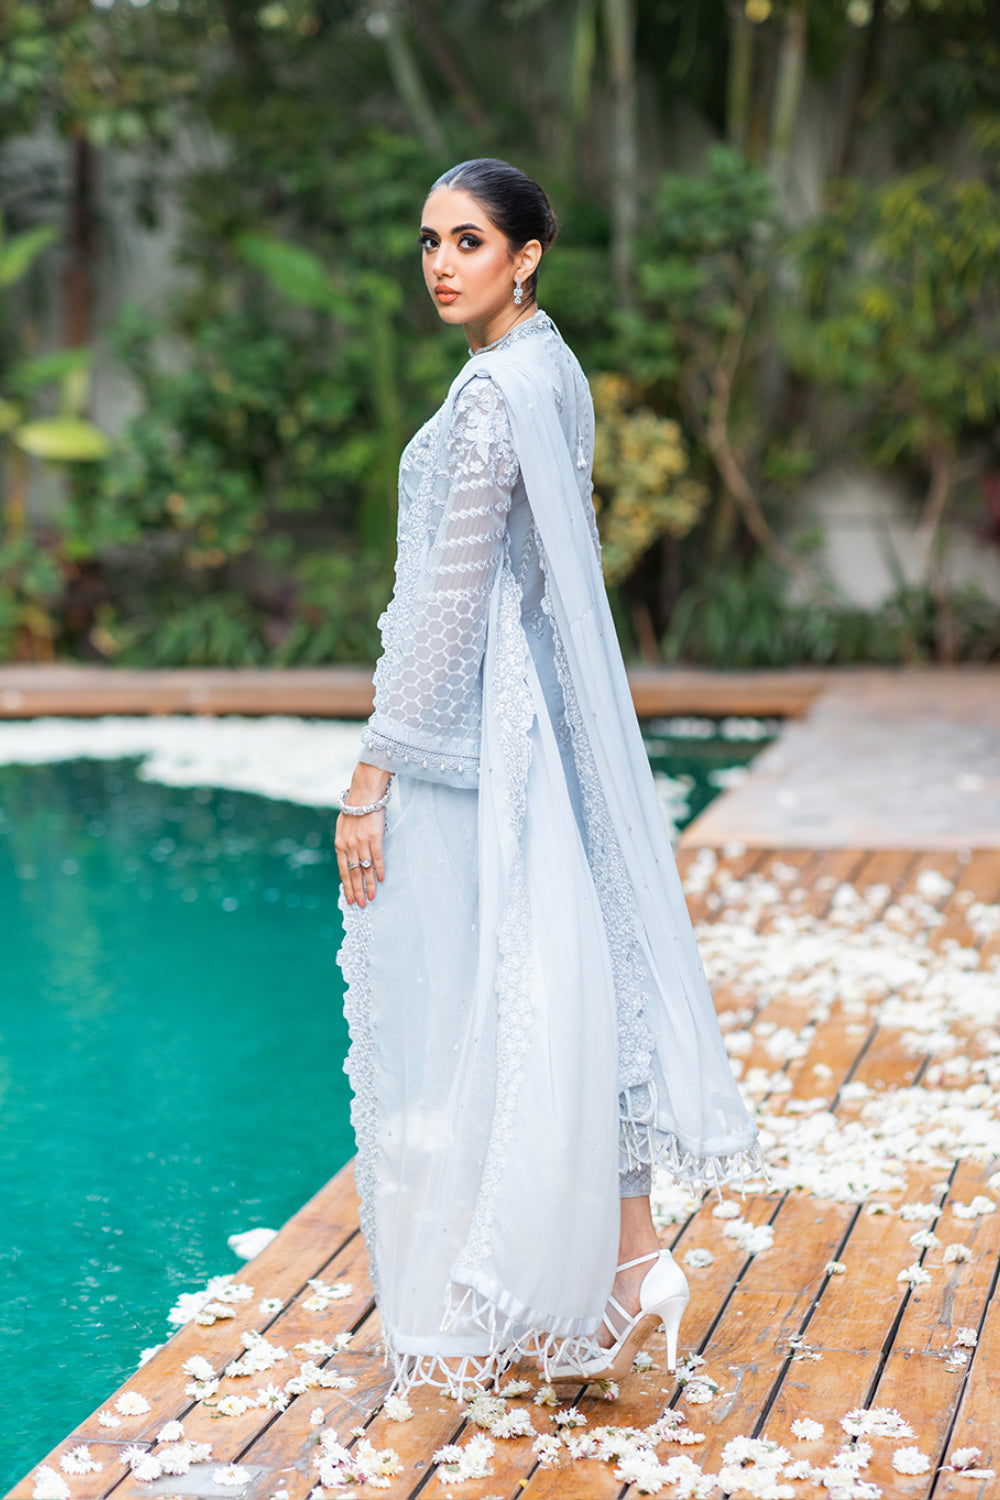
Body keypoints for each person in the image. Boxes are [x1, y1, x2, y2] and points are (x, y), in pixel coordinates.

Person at [335, 157, 762, 1393]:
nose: (440, 264)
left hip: (502, 736)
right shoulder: (550, 365)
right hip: (553, 721)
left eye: (467, 241)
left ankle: (567, 1273)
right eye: (429, 242)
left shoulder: (490, 395)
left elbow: (448, 602)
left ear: (524, 256)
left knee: (512, 985)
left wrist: (372, 772)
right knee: (572, 971)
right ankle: (628, 1264)